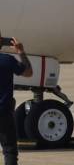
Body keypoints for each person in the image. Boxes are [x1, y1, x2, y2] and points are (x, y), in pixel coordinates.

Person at [0, 33, 32, 165]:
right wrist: (21, 51)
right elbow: (28, 72)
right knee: (9, 150)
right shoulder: (7, 60)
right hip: (4, 113)